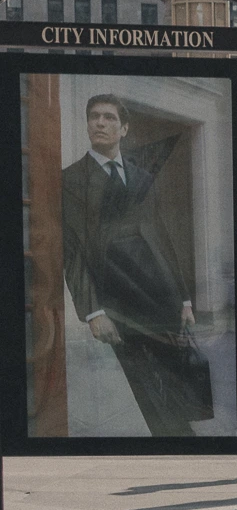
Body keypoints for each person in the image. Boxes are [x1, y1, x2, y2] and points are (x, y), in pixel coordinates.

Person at [59, 90, 208, 436]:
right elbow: (72, 252)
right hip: (118, 304)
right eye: (94, 116)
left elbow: (163, 240)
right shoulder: (71, 180)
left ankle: (181, 442)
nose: (100, 122)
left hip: (162, 298)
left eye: (109, 117)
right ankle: (175, 442)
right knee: (147, 388)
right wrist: (94, 312)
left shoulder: (141, 177)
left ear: (124, 128)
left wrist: (184, 299)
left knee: (174, 382)